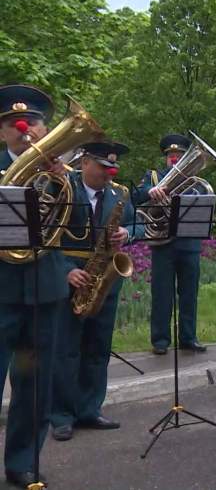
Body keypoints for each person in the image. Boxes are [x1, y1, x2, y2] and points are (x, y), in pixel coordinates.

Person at [0, 83, 71, 487]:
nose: (23, 128)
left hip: (44, 288)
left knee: (34, 383)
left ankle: (23, 461)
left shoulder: (62, 175)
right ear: (2, 132)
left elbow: (78, 226)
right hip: (2, 288)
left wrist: (66, 182)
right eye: (12, 123)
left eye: (32, 122)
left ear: (45, 129)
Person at [51, 141, 143, 441]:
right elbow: (43, 235)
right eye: (103, 167)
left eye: (112, 168)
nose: (109, 173)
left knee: (97, 349)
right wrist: (66, 270)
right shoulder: (62, 187)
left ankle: (90, 409)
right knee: (65, 351)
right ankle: (61, 415)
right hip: (72, 275)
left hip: (105, 278)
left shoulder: (119, 194)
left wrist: (127, 233)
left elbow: (137, 224)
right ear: (85, 162)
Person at [133, 134, 207, 354]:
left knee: (189, 293)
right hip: (162, 243)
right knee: (162, 293)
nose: (174, 159)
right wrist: (149, 192)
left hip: (189, 243)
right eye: (171, 155)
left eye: (179, 155)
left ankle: (188, 337)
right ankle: (160, 340)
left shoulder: (195, 180)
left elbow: (204, 204)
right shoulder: (154, 177)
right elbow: (134, 197)